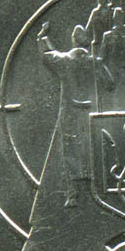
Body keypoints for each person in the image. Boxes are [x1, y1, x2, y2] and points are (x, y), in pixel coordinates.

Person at [37, 21, 112, 207]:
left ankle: (72, 195)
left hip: (70, 112)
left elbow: (46, 55)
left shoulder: (64, 61)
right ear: (85, 41)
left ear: (73, 40)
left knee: (70, 149)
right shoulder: (94, 62)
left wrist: (42, 37)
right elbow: (110, 84)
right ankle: (97, 190)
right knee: (93, 147)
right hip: (91, 112)